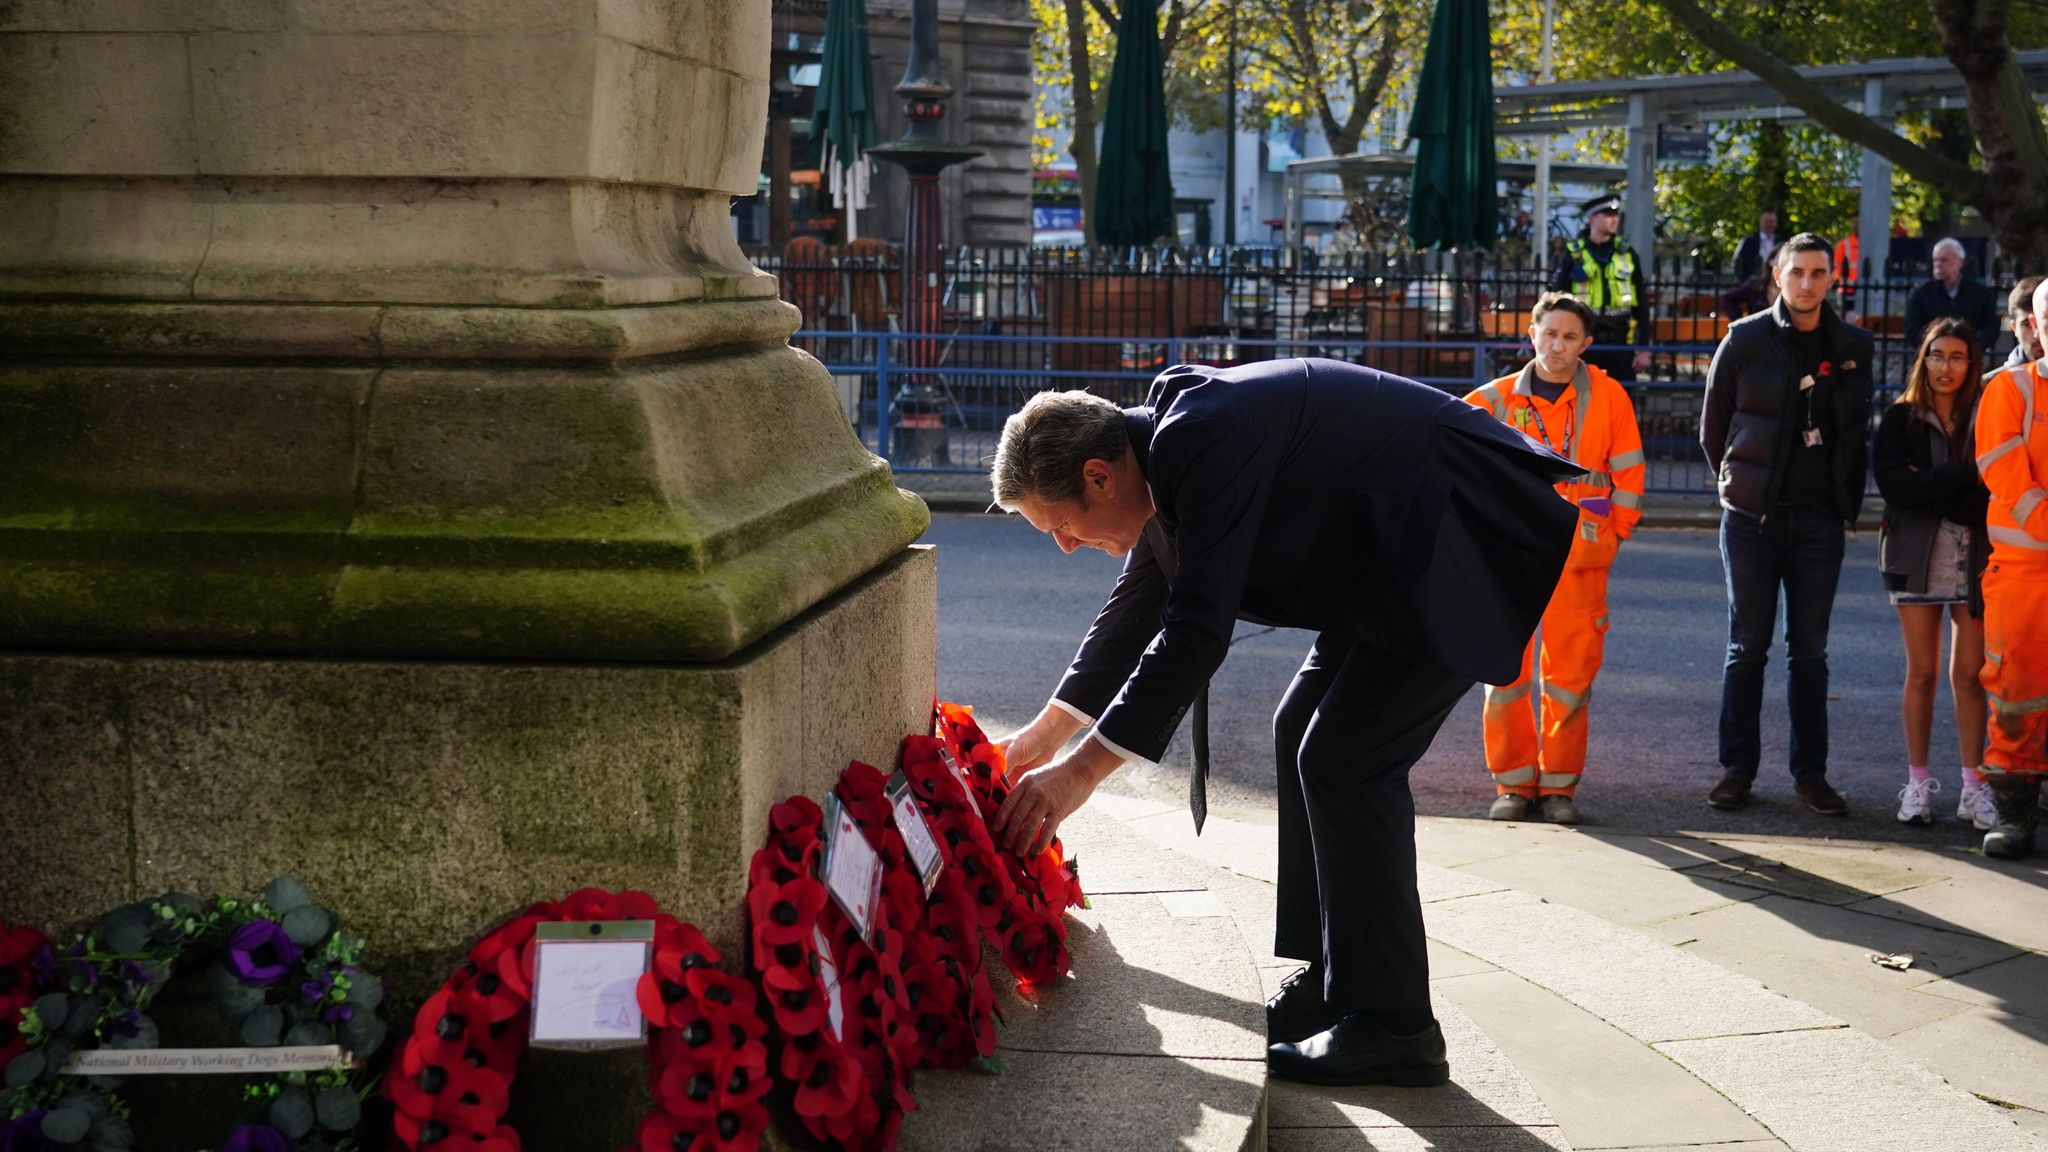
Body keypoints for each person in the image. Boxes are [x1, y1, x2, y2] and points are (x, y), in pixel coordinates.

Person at [987, 360, 1580, 1086]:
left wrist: (1078, 776)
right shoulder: (1162, 453)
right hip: (1387, 556)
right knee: (1300, 726)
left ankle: (1395, 1025)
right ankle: (1336, 980)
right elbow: (1136, 610)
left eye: (1061, 526)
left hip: (1456, 537)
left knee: (1344, 759)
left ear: (1099, 477)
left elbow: (1195, 632)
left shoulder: (1200, 442)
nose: (1067, 547)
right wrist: (1040, 740)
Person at [1700, 233, 1876, 816]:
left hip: (1820, 523)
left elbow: (1855, 433)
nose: (1806, 282)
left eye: (1818, 273)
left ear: (1832, 279)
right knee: (1746, 648)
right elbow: (1714, 426)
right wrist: (1740, 486)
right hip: (1752, 520)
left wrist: (1839, 500)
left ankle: (1811, 776)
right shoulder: (1744, 339)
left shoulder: (1853, 345)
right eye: (1796, 271)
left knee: (1811, 654)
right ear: (1777, 274)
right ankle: (1737, 771)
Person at [1465, 293, 1646, 825]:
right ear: (1531, 333)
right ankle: (1513, 785)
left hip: (1580, 559)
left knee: (1569, 681)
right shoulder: (1492, 401)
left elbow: (1629, 474)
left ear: (1586, 344)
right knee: (1506, 679)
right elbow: (1459, 469)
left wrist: (1614, 536)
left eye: (1570, 337)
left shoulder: (1610, 398)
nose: (1557, 346)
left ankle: (1559, 790)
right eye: (1550, 334)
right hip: (1510, 560)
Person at [1874, 319, 1991, 828]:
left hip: (1975, 557)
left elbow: (1989, 487)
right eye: (1937, 355)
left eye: (1958, 357)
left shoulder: (1986, 414)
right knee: (1920, 673)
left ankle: (1973, 785)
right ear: (1924, 359)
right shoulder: (1901, 419)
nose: (1947, 367)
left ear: (1972, 363)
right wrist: (1957, 478)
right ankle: (1917, 783)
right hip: (1914, 554)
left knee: (1970, 674)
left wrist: (1936, 483)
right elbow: (1898, 489)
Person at [1970, 280, 2048, 858]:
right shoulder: (2010, 390)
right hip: (2024, 578)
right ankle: (2015, 816)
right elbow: (2007, 477)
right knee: (2016, 696)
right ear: (2034, 325)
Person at [1550, 193, 1651, 381]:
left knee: (1620, 401)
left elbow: (1641, 305)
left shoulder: (1627, 254)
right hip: (1584, 341)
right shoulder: (1572, 254)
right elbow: (1556, 301)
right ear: (1592, 218)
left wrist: (1643, 349)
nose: (1614, 220)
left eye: (1616, 215)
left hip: (1620, 342)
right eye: (1608, 215)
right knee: (1581, 401)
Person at [1904, 237, 2000, 350]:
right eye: (1935, 260)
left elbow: (1991, 327)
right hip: (1932, 354)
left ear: (1960, 262)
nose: (1938, 264)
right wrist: (1937, 345)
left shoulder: (1981, 294)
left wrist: (1972, 346)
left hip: (1970, 356)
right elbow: (1912, 329)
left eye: (1944, 260)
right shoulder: (1921, 294)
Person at [1991, 275, 2044, 375]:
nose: (2036, 333)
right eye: (2027, 324)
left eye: (2042, 322)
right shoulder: (1995, 385)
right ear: (2014, 327)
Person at [1734, 210, 1786, 283]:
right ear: (1760, 222)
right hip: (1752, 282)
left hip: (1774, 281)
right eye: (1766, 221)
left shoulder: (1780, 241)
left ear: (1775, 224)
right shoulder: (1749, 241)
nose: (1769, 224)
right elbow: (1738, 261)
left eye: (1771, 222)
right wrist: (1743, 280)